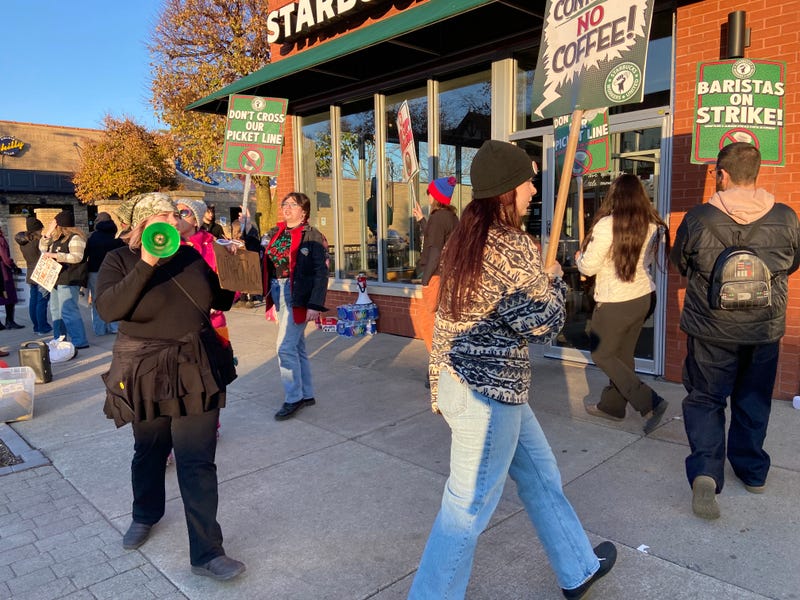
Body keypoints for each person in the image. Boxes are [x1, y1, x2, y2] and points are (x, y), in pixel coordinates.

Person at [409, 140, 616, 600]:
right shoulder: (511, 244)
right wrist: (555, 284)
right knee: (465, 510)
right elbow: (544, 324)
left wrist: (440, 386)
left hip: (484, 388)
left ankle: (577, 566)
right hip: (487, 397)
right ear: (507, 189)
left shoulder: (466, 238)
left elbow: (446, 319)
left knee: (542, 476)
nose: (533, 187)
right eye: (527, 179)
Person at [95, 192, 245, 580]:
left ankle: (207, 553)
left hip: (194, 366)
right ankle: (145, 515)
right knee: (150, 450)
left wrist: (235, 262)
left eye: (174, 214)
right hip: (145, 370)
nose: (170, 220)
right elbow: (110, 309)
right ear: (141, 223)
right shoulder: (119, 259)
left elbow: (222, 300)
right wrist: (146, 262)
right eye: (160, 215)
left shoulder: (191, 256)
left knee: (197, 462)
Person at [669, 142, 800, 520]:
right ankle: (753, 470)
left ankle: (707, 474)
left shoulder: (698, 218)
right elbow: (791, 263)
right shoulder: (787, 217)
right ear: (756, 173)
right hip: (763, 328)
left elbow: (682, 263)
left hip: (711, 329)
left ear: (721, 174)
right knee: (753, 398)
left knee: (706, 399)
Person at [574, 174, 670, 434]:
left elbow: (589, 266)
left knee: (602, 353)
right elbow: (646, 262)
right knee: (624, 356)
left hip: (615, 300)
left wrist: (580, 257)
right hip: (642, 297)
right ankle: (612, 406)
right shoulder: (653, 225)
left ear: (614, 195)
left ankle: (648, 401)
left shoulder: (607, 224)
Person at [261, 192, 329, 421]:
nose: (287, 207)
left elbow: (321, 273)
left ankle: (294, 397)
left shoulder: (313, 236)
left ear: (304, 211)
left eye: (293, 204)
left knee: (285, 348)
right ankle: (306, 394)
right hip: (277, 289)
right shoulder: (276, 232)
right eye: (285, 203)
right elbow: (261, 256)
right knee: (297, 346)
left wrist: (314, 304)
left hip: (296, 294)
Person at [413, 176, 459, 353]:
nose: (428, 198)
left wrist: (425, 281)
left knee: (428, 325)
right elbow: (436, 238)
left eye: (429, 194)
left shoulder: (438, 218)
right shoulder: (452, 217)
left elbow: (435, 251)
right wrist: (422, 220)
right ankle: (442, 366)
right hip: (448, 277)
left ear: (436, 196)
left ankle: (437, 367)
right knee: (442, 324)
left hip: (436, 278)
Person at [39, 210, 90, 349]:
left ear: (60, 225)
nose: (52, 227)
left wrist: (56, 256)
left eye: (54, 224)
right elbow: (42, 249)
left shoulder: (75, 238)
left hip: (69, 279)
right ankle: (59, 339)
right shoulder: (56, 239)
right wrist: (47, 233)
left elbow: (77, 257)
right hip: (55, 278)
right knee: (55, 309)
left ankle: (79, 341)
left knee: (68, 310)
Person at [86, 212, 125, 336]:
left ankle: (99, 329)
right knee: (113, 298)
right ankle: (114, 326)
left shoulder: (92, 237)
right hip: (112, 272)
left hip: (94, 271)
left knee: (97, 300)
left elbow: (85, 255)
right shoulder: (116, 238)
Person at [14, 216, 52, 335]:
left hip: (30, 273)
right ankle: (42, 327)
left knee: (34, 301)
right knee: (42, 301)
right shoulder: (38, 241)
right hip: (41, 273)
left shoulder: (23, 242)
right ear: (37, 229)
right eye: (40, 229)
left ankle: (36, 327)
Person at [0, 226, 25, 330]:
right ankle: (9, 321)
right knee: (10, 296)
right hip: (2, 271)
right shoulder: (0, 240)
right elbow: (5, 258)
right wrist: (14, 266)